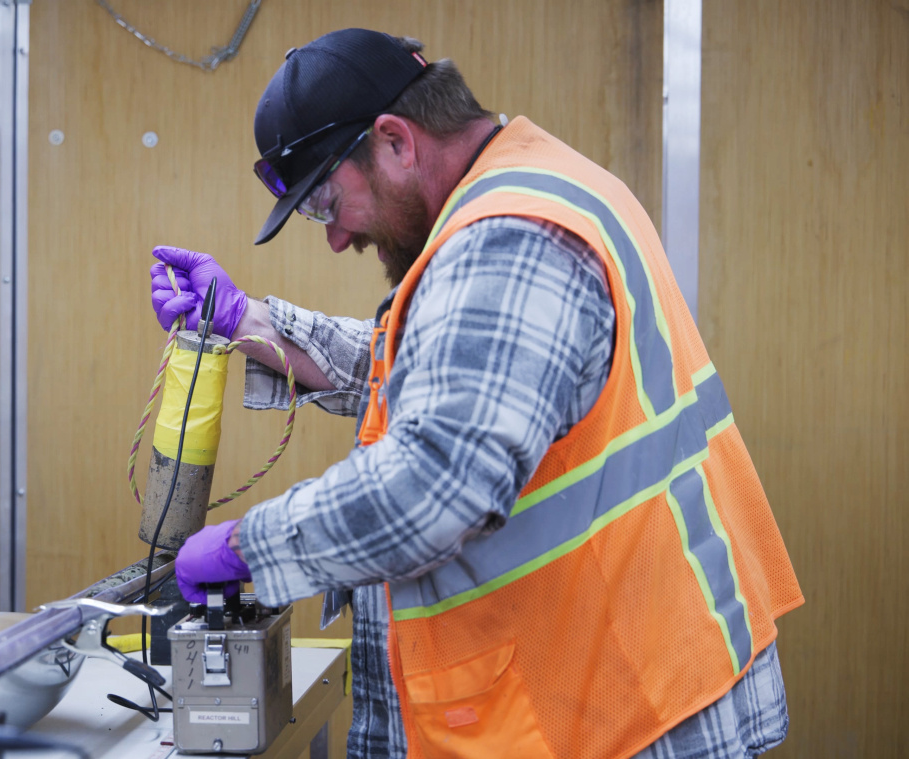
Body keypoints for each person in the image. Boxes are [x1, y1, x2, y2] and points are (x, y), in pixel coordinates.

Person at [148, 29, 803, 759]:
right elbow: (442, 379)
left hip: (627, 711)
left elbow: (434, 483)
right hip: (622, 677)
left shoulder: (511, 238)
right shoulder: (534, 186)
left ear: (395, 140)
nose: (336, 239)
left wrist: (249, 546)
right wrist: (251, 323)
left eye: (326, 203)